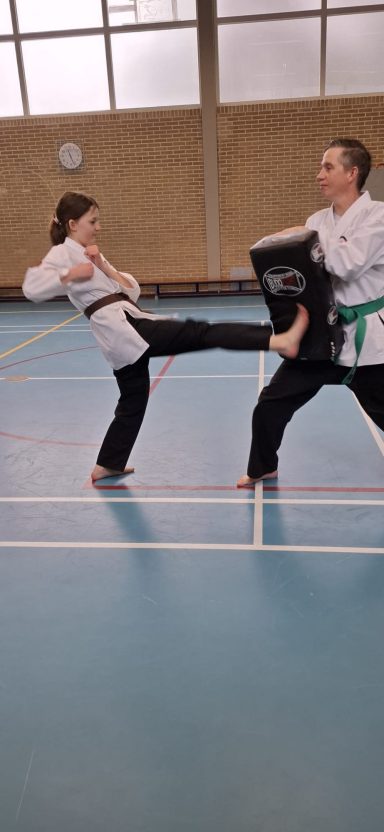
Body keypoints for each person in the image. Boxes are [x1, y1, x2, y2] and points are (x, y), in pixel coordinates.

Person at [23, 191, 309, 482]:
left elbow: (131, 291)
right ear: (73, 224)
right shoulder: (62, 253)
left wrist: (103, 267)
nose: (98, 227)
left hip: (124, 327)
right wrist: (70, 274)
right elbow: (31, 288)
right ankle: (278, 340)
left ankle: (108, 463)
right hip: (123, 329)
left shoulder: (91, 252)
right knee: (202, 333)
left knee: (133, 399)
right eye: (92, 221)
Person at [237, 137, 384, 488]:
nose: (319, 175)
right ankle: (263, 467)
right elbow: (306, 269)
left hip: (368, 344)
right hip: (323, 337)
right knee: (272, 402)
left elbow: (345, 265)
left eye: (328, 167)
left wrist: (302, 239)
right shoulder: (317, 219)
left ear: (352, 173)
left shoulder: (378, 216)